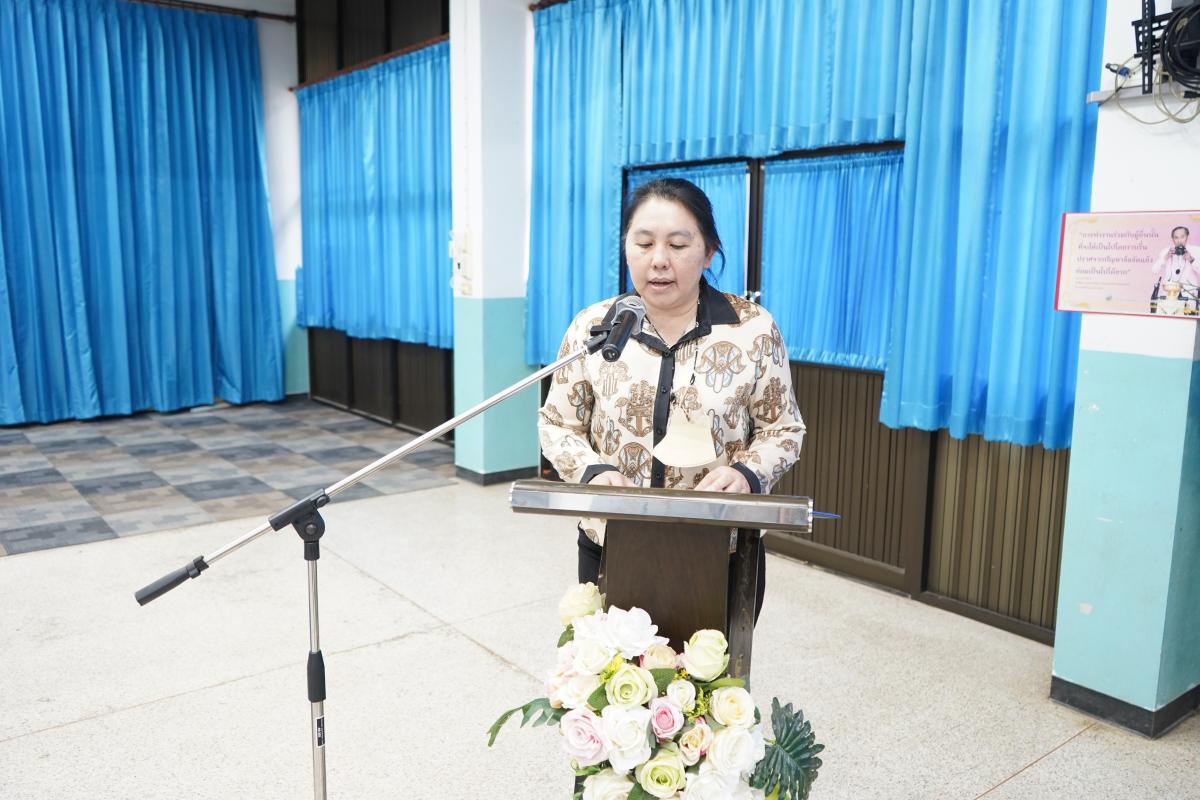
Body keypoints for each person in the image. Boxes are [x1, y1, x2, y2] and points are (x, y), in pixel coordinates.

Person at [537, 178, 806, 619]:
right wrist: (591, 470)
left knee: (711, 665)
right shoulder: (594, 327)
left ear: (709, 252)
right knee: (612, 662)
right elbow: (557, 423)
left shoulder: (753, 329)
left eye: (678, 245)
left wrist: (747, 474)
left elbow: (784, 429)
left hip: (720, 548)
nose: (658, 260)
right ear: (627, 248)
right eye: (643, 244)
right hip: (612, 540)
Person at [1152, 226, 1200, 291]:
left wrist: (1191, 260)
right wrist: (1166, 257)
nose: (1179, 240)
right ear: (1172, 239)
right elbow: (1154, 270)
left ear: (1187, 237)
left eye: (1182, 237)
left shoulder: (1196, 250)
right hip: (1169, 293)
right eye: (1176, 237)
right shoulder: (1166, 251)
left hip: (1189, 293)